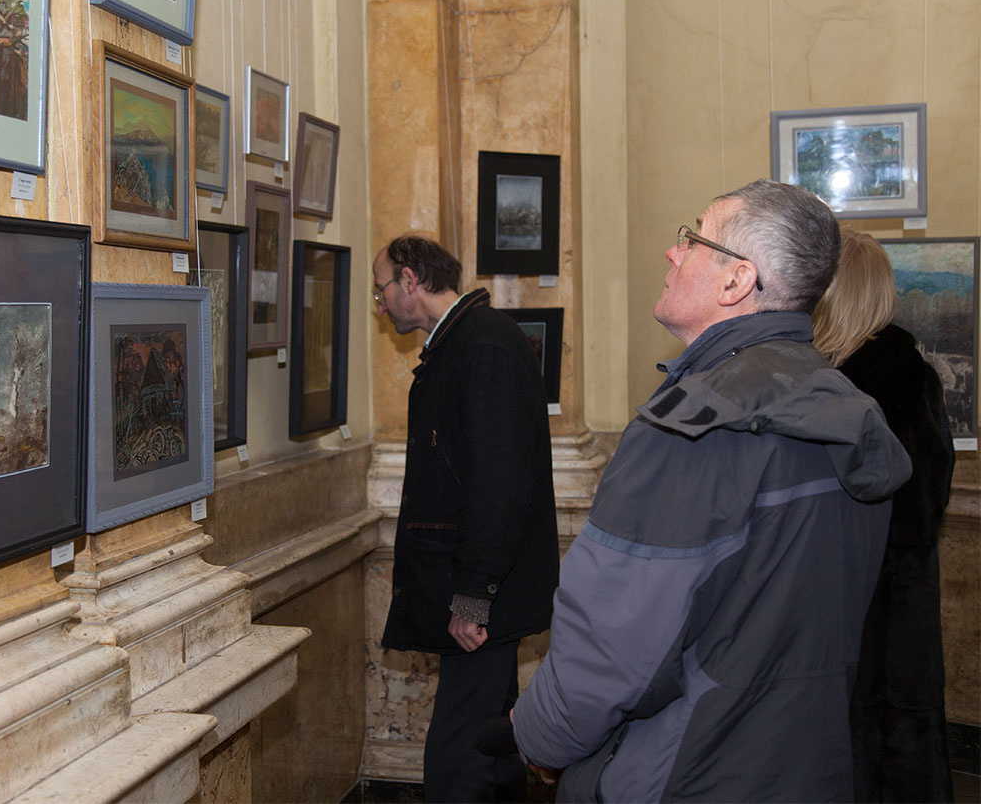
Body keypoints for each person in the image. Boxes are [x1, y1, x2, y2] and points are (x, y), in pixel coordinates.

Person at [511, 180, 912, 802]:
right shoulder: (847, 407)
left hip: (685, 771)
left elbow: (614, 649)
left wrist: (537, 736)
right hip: (800, 768)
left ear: (736, 282)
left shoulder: (691, 428)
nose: (673, 253)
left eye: (692, 237)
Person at [373, 234, 559, 803]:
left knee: (457, 759)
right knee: (490, 743)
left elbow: (498, 485)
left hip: (483, 597)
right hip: (478, 591)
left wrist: (473, 597)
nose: (379, 304)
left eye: (381, 289)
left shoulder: (483, 347)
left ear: (410, 280)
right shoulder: (463, 343)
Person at [813, 230, 955, 803]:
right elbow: (929, 498)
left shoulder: (835, 383)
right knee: (899, 750)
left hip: (851, 600)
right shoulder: (909, 374)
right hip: (898, 602)